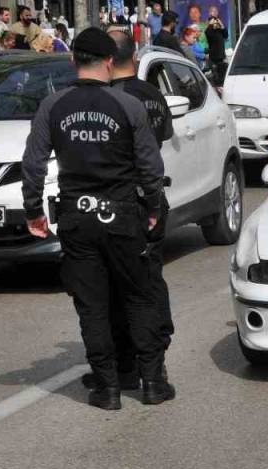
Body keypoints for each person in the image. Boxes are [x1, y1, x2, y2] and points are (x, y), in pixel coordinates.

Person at [21, 27, 173, 410]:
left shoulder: (53, 105)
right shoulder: (127, 105)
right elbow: (150, 167)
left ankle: (107, 389)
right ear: (109, 62)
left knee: (92, 305)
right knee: (139, 297)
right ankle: (152, 382)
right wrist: (154, 208)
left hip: (77, 219)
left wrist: (33, 212)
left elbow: (33, 164)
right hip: (123, 216)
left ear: (74, 61)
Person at [80, 29, 176, 391]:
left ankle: (126, 365)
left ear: (106, 59)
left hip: (119, 202)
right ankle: (154, 366)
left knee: (118, 289)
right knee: (149, 282)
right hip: (151, 198)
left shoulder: (106, 100)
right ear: (132, 56)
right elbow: (162, 139)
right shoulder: (152, 94)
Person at [204, 6, 228, 78]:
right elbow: (208, 34)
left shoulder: (219, 25)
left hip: (221, 54)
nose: (214, 13)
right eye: (212, 11)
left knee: (222, 74)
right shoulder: (209, 25)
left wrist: (222, 26)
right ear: (209, 13)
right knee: (215, 75)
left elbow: (226, 35)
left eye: (215, 12)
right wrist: (210, 24)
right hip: (213, 55)